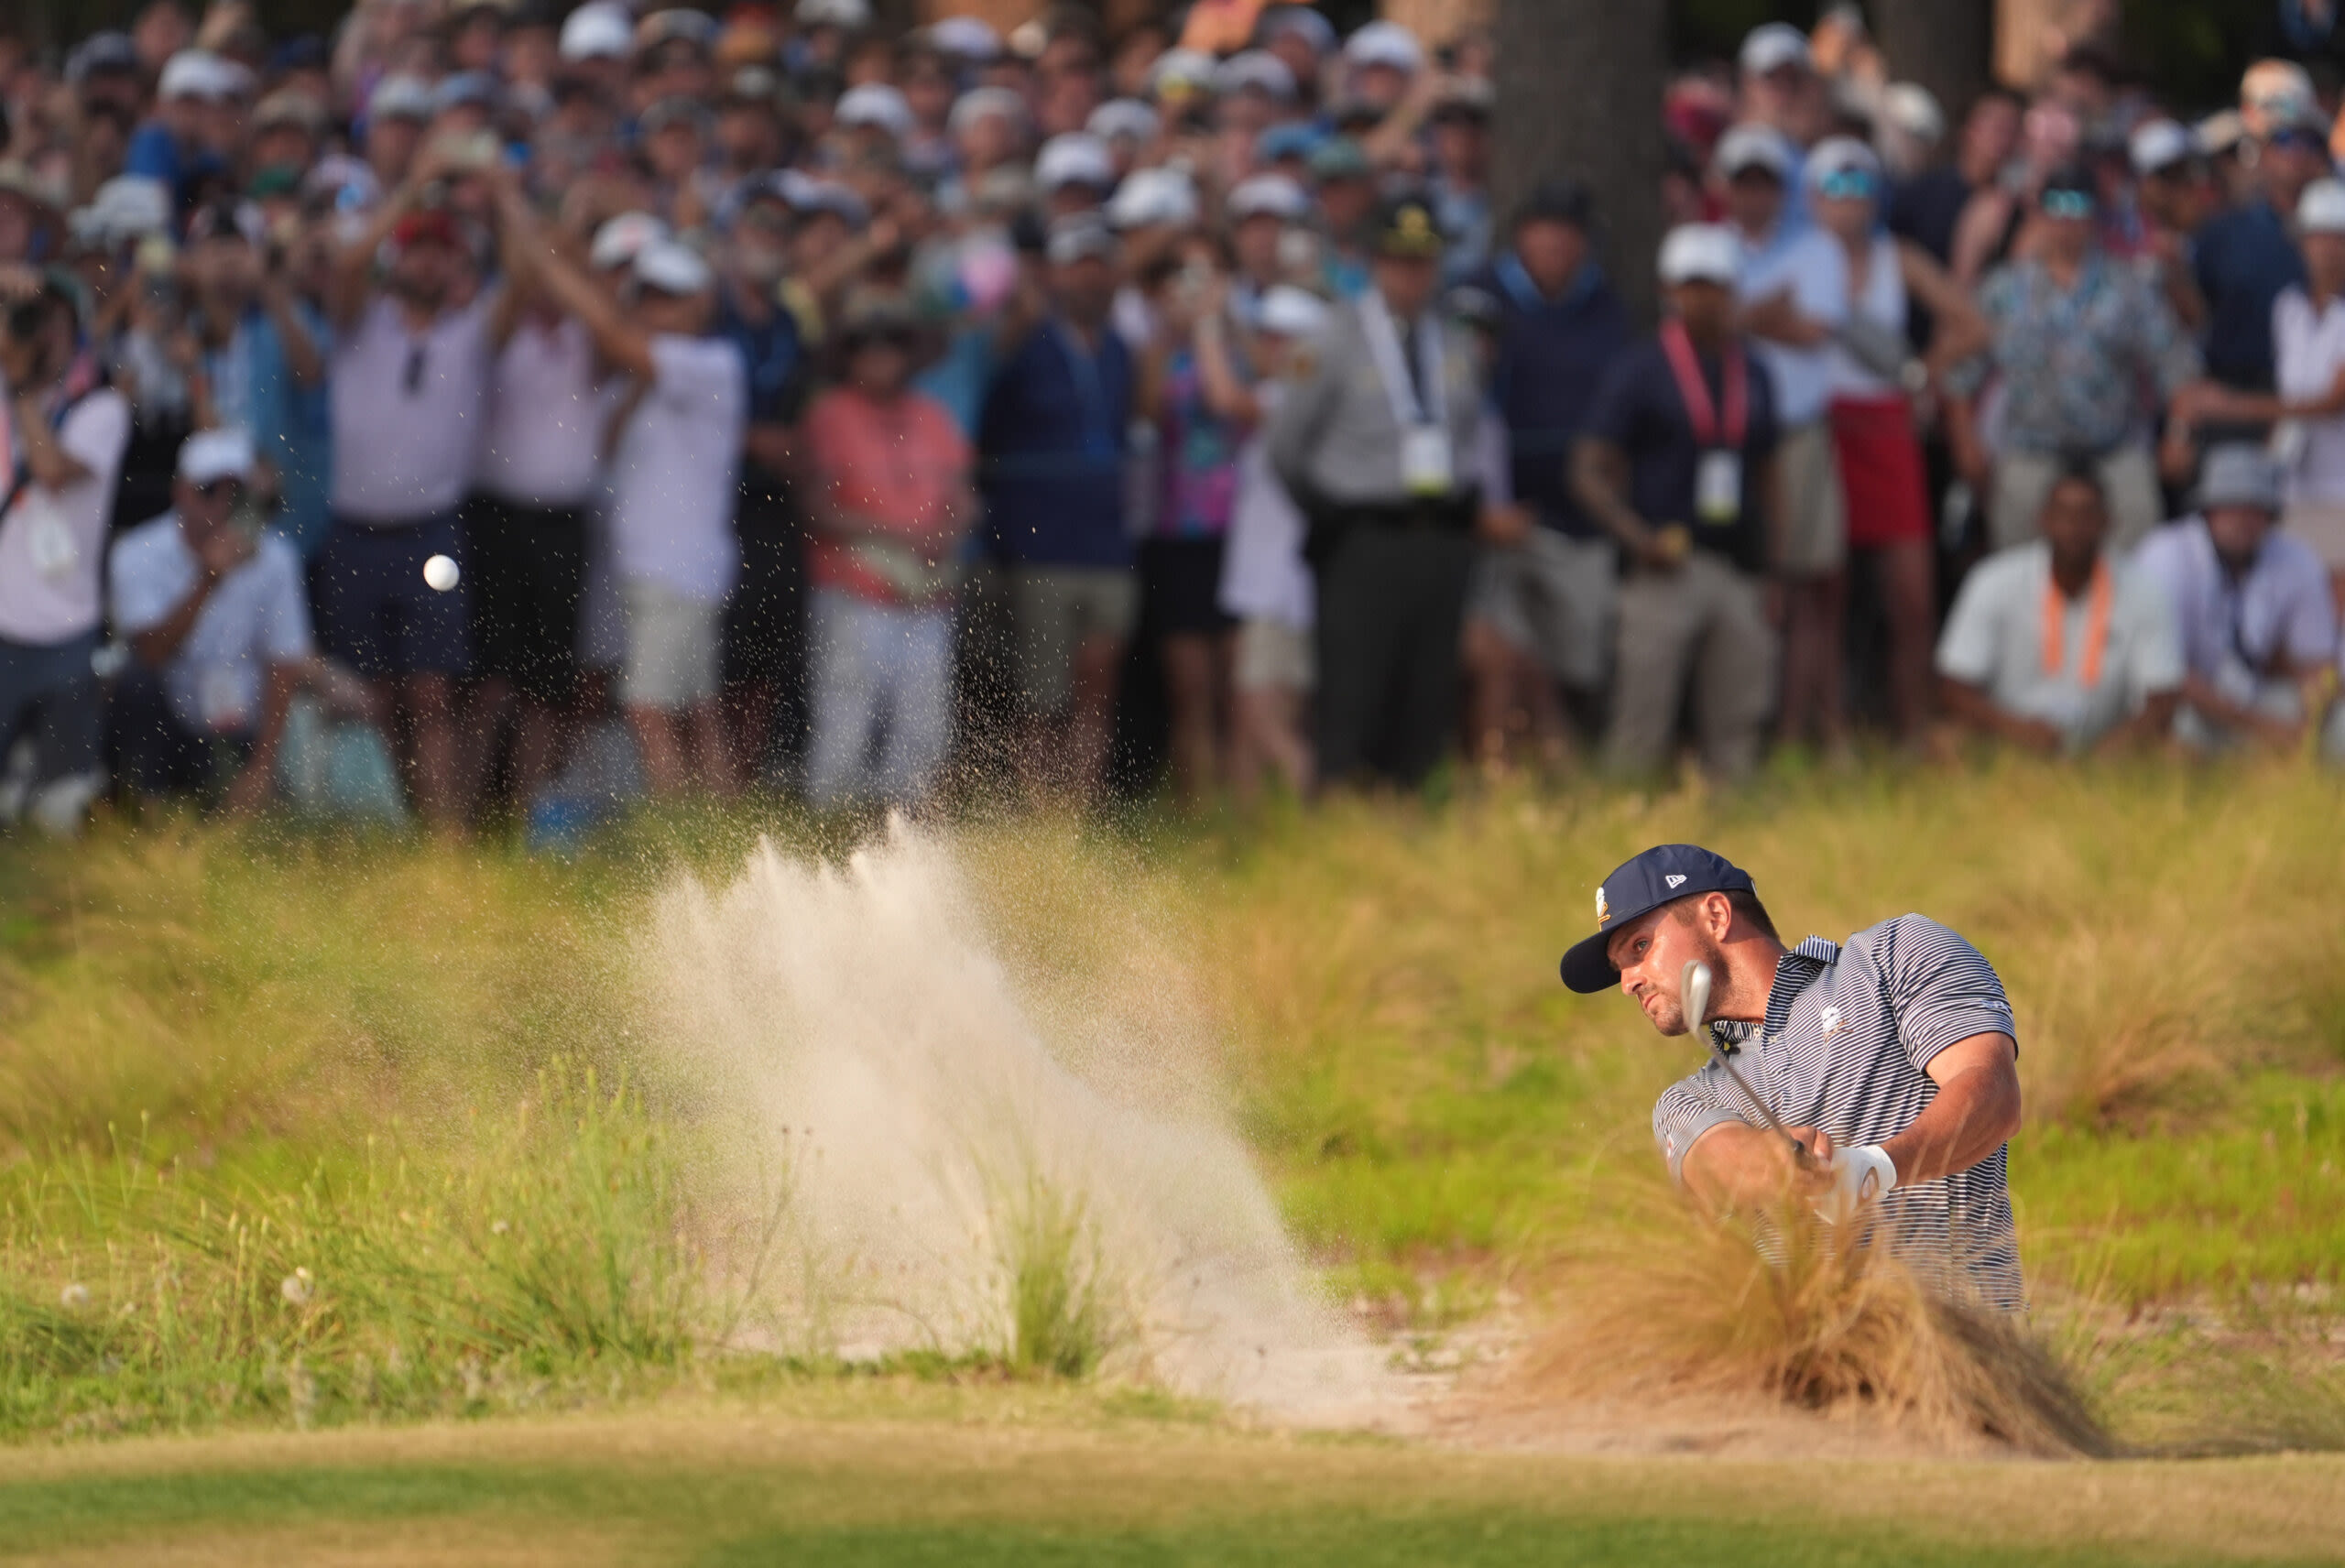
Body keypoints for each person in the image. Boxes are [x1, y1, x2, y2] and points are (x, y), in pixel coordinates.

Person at [1556, 844, 2026, 1312]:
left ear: (1716, 915)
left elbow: (1993, 1092)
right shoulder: (1688, 1099)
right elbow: (1719, 1161)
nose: (1627, 982)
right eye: (1621, 968)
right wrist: (1775, 1164)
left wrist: (1875, 1169)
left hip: (1970, 1353)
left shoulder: (1892, 956)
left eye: (1640, 948)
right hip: (1808, 1377)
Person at [518, 211, 747, 796]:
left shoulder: (712, 365)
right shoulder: (645, 376)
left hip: (677, 569)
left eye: (670, 298)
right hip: (660, 569)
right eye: (646, 297)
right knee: (698, 712)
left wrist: (548, 262)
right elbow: (610, 440)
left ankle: (677, 847)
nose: (655, 309)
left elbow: (612, 335)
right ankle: (716, 841)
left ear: (701, 304)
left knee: (647, 710)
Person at [1266, 192, 1485, 790]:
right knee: (1354, 688)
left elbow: (1466, 434)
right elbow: (1285, 446)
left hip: (1438, 536)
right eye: (1399, 260)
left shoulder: (1456, 341)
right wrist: (1327, 512)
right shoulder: (1333, 339)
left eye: (1424, 261)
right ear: (1374, 263)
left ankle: (1411, 811)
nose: (1413, 274)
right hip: (1361, 538)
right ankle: (1341, 815)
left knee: (1425, 691)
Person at [320, 164, 507, 829]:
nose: (428, 264)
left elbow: (526, 285)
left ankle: (444, 837)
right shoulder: (358, 322)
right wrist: (409, 188)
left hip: (431, 530)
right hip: (354, 530)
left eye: (441, 252)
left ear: (457, 264)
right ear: (398, 256)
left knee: (432, 691)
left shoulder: (471, 332)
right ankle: (394, 823)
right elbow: (345, 270)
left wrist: (502, 198)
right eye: (417, 248)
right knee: (373, 696)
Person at [1573, 225, 1780, 782]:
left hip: (1738, 566)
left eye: (1714, 285)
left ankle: (1737, 838)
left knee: (1739, 719)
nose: (1705, 298)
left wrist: (1775, 569)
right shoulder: (1641, 367)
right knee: (1642, 717)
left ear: (1734, 290)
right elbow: (1588, 467)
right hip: (1664, 567)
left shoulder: (1754, 371)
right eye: (1692, 286)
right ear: (1670, 290)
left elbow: (1769, 470)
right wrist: (1635, 536)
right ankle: (1622, 831)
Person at [1804, 137, 1986, 746]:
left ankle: (1913, 727)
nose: (1849, 202)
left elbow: (1972, 324)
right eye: (1836, 187)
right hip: (1824, 427)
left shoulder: (1896, 257)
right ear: (1812, 196)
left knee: (1910, 595)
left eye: (1861, 187)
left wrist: (1921, 372)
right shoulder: (1799, 261)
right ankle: (1832, 734)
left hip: (1885, 427)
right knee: (1826, 595)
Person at [1946, 167, 2209, 554]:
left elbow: (2178, 369)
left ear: (2095, 216)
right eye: (2056, 205)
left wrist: (2179, 436)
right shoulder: (2003, 288)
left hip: (2113, 450)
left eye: (2078, 205)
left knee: (2141, 540)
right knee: (2018, 561)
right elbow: (1960, 376)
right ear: (2039, 213)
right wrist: (1966, 444)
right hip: (2031, 450)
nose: (2067, 218)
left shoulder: (2129, 287)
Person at [1465, 178, 1634, 761]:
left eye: (1567, 233)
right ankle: (1518, 762)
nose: (1555, 245)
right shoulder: (1478, 299)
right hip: (1493, 518)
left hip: (1580, 519)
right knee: (1507, 646)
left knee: (1581, 656)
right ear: (1520, 238)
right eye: (1543, 232)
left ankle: (1563, 753)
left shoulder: (1609, 308)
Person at [978, 214, 1136, 803]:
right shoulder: (1024, 345)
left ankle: (1076, 810)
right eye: (1078, 268)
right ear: (1056, 275)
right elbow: (989, 427)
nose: (1090, 281)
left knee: (1098, 681)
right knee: (1041, 692)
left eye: (1100, 268)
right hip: (1040, 545)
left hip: (1106, 542)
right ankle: (1041, 811)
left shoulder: (1120, 349)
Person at [798, 299, 975, 809]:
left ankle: (908, 840)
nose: (880, 357)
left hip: (928, 591)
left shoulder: (933, 416)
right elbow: (815, 506)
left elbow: (962, 493)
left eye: (891, 346)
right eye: (866, 348)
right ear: (849, 358)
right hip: (855, 588)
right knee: (845, 718)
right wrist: (899, 536)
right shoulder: (828, 415)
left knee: (924, 728)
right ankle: (832, 831)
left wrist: (947, 529)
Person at [1717, 122, 1849, 753]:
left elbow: (1814, 331)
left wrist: (1739, 315)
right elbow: (1713, 330)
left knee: (1803, 587)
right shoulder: (1708, 246)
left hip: (1797, 433)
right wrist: (1768, 312)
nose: (1753, 195)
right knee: (1743, 579)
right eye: (1743, 182)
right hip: (1723, 436)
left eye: (1765, 182)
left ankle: (1794, 731)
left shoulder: (1816, 247)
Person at [108, 428, 312, 811]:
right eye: (208, 490)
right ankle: (143, 803)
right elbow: (150, 653)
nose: (221, 504)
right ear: (180, 492)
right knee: (134, 683)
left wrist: (261, 768)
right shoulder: (137, 553)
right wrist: (208, 581)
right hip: (173, 722)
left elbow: (284, 665)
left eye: (234, 493)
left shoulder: (277, 558)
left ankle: (252, 793)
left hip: (243, 726)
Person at [1935, 458, 2183, 756]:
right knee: (1944, 744)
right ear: (2042, 519)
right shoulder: (1993, 580)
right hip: (2009, 737)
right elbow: (1954, 687)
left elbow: (2163, 698)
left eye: (2087, 514)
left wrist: (2113, 747)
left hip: (2107, 744)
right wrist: (2016, 730)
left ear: (2108, 522)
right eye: (2063, 513)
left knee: (2178, 755)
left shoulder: (2144, 588)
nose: (2074, 526)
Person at [0, 273, 131, 834]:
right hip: (3, 623)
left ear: (76, 331)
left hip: (66, 625)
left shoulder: (101, 407)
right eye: (32, 319)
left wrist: (24, 391)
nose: (42, 332)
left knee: (59, 807)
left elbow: (51, 469)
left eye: (53, 319)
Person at [2187, 178, 2345, 612]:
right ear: (2302, 244)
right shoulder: (2288, 308)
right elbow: (2291, 396)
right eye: (2319, 239)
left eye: (2338, 240)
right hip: (2296, 485)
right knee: (2300, 605)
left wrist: (2230, 406)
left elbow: (2332, 402)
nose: (2329, 250)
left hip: (2340, 488)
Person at [2134, 444, 2341, 753]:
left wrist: (2309, 723)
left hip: (2247, 695)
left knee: (2337, 722)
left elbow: (2317, 663)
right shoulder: (2166, 554)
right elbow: (2167, 671)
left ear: (2272, 516)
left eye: (2256, 509)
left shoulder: (2297, 558)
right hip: (2178, 697)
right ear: (2209, 510)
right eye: (2232, 507)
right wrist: (2261, 727)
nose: (2244, 521)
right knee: (2175, 724)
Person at [1218, 283, 1326, 803]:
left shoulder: (1293, 396)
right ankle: (1254, 852)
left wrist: (1203, 324)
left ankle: (1320, 819)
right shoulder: (1295, 394)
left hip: (1281, 592)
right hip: (1272, 590)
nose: (1268, 346)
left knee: (1265, 719)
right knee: (1253, 721)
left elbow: (1224, 396)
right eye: (1266, 335)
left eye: (1280, 337)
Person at [2195, 89, 2329, 397]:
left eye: (2310, 143)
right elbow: (2199, 310)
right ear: (2265, 154)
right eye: (2284, 140)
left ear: (2324, 159)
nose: (2297, 153)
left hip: (2325, 401)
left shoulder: (2339, 233)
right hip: (2238, 394)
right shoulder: (2223, 231)